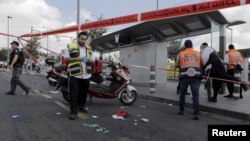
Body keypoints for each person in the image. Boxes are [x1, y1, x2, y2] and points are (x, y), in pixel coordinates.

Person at [64, 31, 93, 120]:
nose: (83, 41)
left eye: (85, 39)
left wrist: (88, 60)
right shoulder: (71, 46)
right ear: (78, 38)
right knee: (74, 94)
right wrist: (79, 59)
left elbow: (93, 60)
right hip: (75, 74)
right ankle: (73, 112)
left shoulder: (89, 48)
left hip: (86, 75)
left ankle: (81, 106)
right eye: (82, 39)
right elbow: (66, 59)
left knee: (83, 94)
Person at [176, 40, 202, 120]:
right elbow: (202, 64)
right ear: (192, 45)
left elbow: (177, 64)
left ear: (185, 46)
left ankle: (181, 111)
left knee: (182, 94)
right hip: (195, 77)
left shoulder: (181, 53)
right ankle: (196, 114)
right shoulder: (198, 53)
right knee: (195, 96)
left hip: (184, 77)